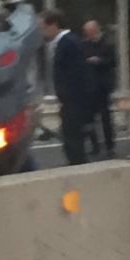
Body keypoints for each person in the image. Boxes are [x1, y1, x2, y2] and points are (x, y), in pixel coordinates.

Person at [38, 9, 95, 166]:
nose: (41, 31)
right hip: (69, 99)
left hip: (75, 100)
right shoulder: (62, 43)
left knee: (73, 138)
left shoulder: (69, 43)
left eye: (43, 26)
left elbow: (81, 74)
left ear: (54, 24)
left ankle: (78, 166)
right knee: (70, 137)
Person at [82, 20, 118, 157]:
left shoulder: (107, 44)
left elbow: (113, 61)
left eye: (91, 31)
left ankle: (109, 145)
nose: (89, 34)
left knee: (105, 117)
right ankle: (95, 145)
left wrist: (99, 61)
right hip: (89, 85)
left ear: (96, 29)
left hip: (103, 85)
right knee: (89, 118)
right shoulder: (85, 45)